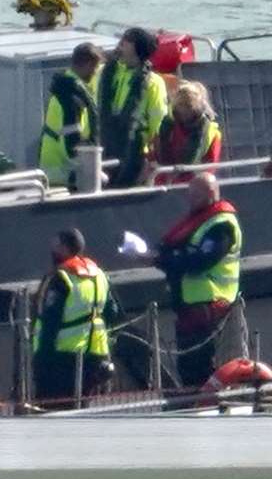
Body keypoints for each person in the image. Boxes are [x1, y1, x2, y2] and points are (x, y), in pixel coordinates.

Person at [150, 173, 242, 388]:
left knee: (200, 363)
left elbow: (201, 260)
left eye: (195, 193)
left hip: (208, 304)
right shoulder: (199, 222)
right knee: (188, 363)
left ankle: (208, 405)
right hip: (190, 305)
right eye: (189, 193)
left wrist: (165, 260)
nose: (190, 198)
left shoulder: (222, 225)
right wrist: (158, 256)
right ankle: (197, 404)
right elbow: (176, 249)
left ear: (210, 194)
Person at [30, 228, 112, 403]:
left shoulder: (60, 278)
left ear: (65, 248)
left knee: (53, 408)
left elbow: (50, 321)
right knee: (82, 408)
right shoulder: (99, 275)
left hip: (61, 358)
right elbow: (113, 311)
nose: (52, 249)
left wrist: (42, 360)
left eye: (56, 245)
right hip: (95, 354)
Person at [99, 27, 169, 189]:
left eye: (126, 41)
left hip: (134, 154)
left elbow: (158, 126)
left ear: (138, 48)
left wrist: (153, 162)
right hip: (106, 148)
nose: (120, 44)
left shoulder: (153, 83)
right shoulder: (109, 74)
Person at [38, 43, 102, 191]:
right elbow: (71, 143)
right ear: (87, 65)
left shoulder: (65, 87)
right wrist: (89, 168)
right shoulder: (71, 97)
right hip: (61, 173)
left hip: (54, 169)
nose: (95, 72)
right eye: (94, 67)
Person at [153, 80, 222, 185]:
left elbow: (209, 167)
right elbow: (156, 154)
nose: (184, 110)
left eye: (189, 106)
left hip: (193, 186)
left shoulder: (211, 133)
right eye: (180, 105)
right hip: (163, 183)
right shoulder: (167, 126)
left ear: (198, 107)